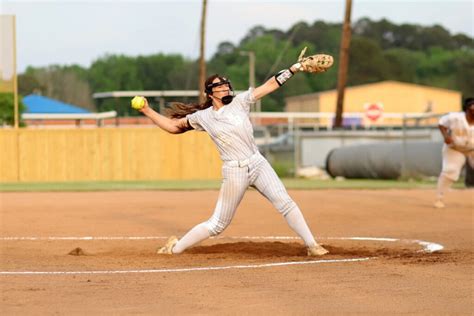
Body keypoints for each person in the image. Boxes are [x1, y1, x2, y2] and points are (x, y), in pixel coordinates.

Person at [136, 59, 329, 256]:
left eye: (227, 86)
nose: (226, 89)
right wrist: (147, 110)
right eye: (220, 87)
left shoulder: (240, 102)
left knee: (285, 203)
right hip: (234, 171)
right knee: (218, 224)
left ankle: (312, 245)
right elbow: (173, 127)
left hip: (257, 162)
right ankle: (175, 248)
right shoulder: (203, 117)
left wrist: (294, 68)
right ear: (210, 93)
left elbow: (270, 85)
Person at [434, 97, 474, 208]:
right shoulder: (455, 118)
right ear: (467, 108)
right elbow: (441, 123)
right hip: (455, 149)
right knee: (450, 171)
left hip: (472, 149)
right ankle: (439, 198)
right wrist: (446, 136)